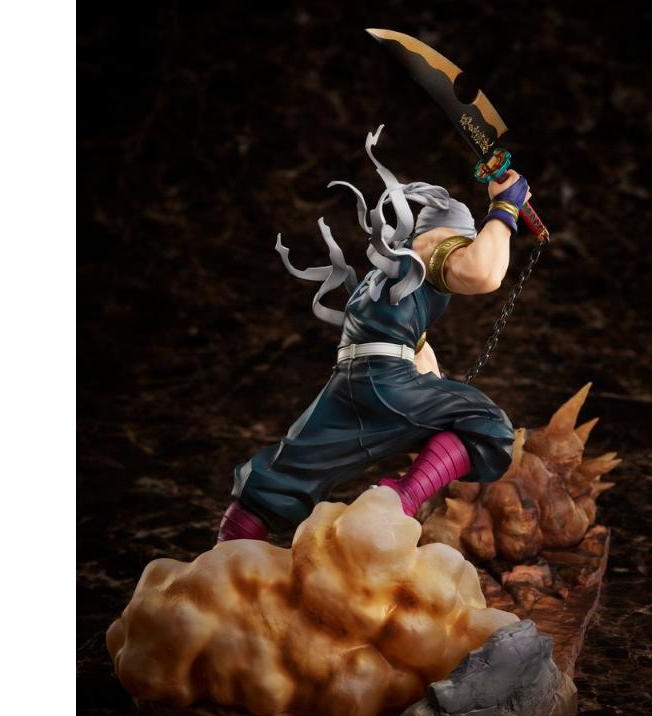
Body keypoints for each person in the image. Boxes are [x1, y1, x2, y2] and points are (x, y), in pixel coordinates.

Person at [218, 127, 532, 542]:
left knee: (284, 472)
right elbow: (483, 273)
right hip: (386, 379)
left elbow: (412, 345)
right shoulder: (435, 249)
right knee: (488, 426)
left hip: (349, 378)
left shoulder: (387, 276)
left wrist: (435, 394)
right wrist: (505, 208)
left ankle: (224, 552)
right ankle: (397, 502)